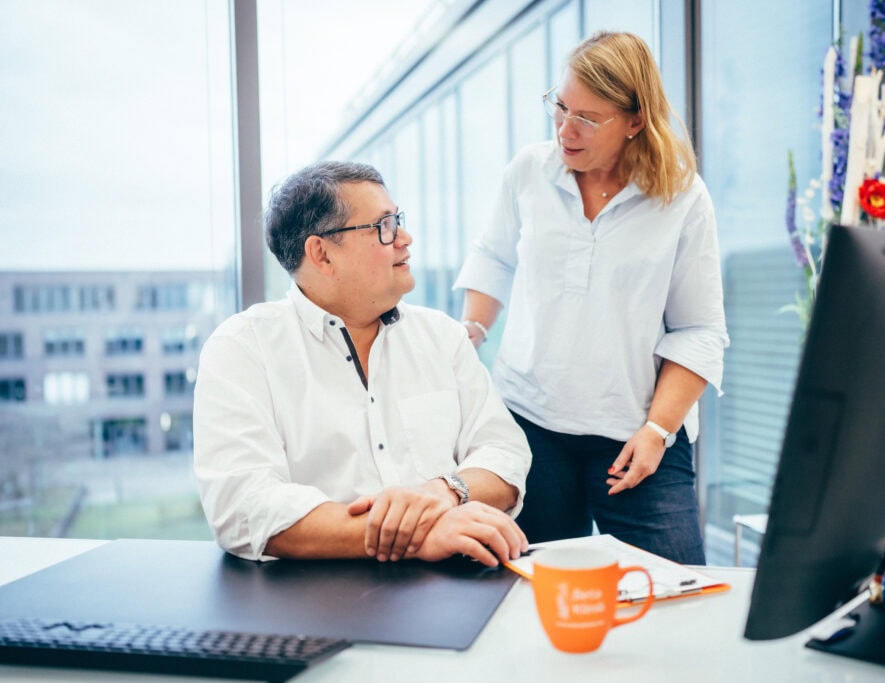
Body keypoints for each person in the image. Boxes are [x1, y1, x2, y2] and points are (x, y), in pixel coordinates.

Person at [454, 31, 729, 565]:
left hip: (636, 437)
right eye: (560, 107)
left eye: (586, 117)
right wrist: (474, 329)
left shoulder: (682, 197)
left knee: (679, 591)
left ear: (634, 121)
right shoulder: (530, 171)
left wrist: (657, 431)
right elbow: (494, 257)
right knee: (524, 589)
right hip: (529, 426)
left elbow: (698, 330)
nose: (565, 129)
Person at [193, 161, 531, 567]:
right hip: (314, 594)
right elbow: (243, 507)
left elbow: (504, 452)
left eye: (398, 221)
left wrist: (444, 491)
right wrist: (415, 535)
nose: (405, 238)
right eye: (384, 226)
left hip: (455, 579)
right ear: (322, 254)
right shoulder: (242, 348)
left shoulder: (442, 336)